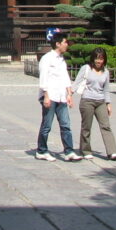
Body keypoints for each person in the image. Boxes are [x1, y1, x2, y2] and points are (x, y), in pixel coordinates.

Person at [36, 33, 81, 161]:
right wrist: (46, 95)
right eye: (65, 42)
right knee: (47, 125)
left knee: (65, 124)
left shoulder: (61, 59)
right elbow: (43, 77)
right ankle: (41, 150)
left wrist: (69, 94)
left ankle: (69, 151)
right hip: (50, 95)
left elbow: (65, 77)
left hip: (61, 96)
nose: (67, 45)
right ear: (58, 44)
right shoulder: (47, 58)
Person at [72, 47, 116, 161]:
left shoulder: (105, 71)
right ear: (93, 59)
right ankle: (85, 150)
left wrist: (108, 103)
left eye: (101, 59)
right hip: (87, 100)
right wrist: (69, 95)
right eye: (97, 59)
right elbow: (77, 83)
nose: (99, 61)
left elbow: (106, 89)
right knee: (86, 127)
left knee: (106, 126)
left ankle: (112, 151)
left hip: (100, 101)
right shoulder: (86, 68)